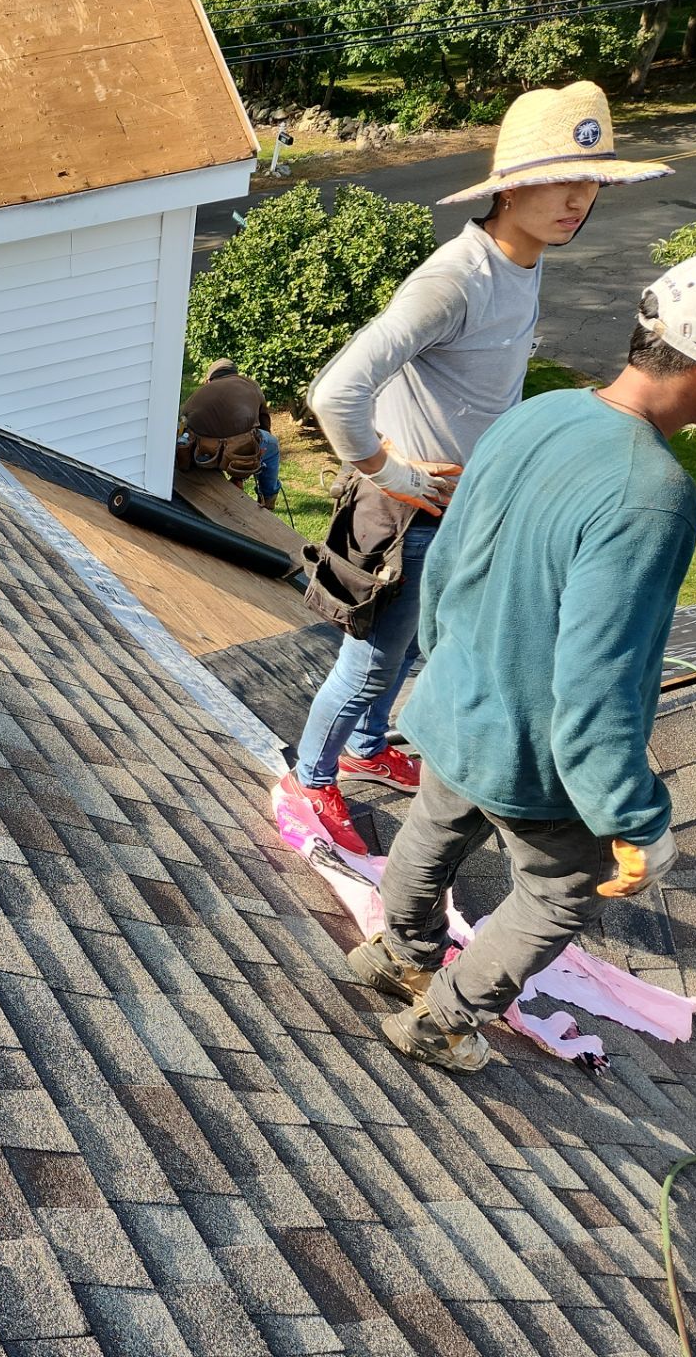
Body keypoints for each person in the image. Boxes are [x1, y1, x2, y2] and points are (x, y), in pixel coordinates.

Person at [344, 249, 696, 1072]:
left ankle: (397, 955)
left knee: (432, 829)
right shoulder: (652, 494)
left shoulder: (539, 413)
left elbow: (446, 567)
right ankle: (441, 1021)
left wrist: (449, 673)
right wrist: (635, 823)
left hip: (454, 703)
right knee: (562, 889)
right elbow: (599, 685)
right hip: (533, 750)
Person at [276, 81, 670, 855]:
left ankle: (363, 749)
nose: (579, 200)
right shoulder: (455, 277)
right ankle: (308, 782)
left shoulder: (522, 265)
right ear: (512, 187)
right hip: (404, 514)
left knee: (412, 651)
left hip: (458, 510)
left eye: (591, 182)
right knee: (369, 662)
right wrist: (391, 473)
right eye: (563, 181)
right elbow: (337, 392)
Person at [178, 358, 281, 509]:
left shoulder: (200, 391)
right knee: (272, 446)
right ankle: (267, 497)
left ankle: (235, 478)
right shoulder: (250, 385)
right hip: (235, 449)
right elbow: (264, 423)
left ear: (209, 379)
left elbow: (184, 422)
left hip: (200, 451)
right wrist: (259, 452)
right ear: (235, 373)